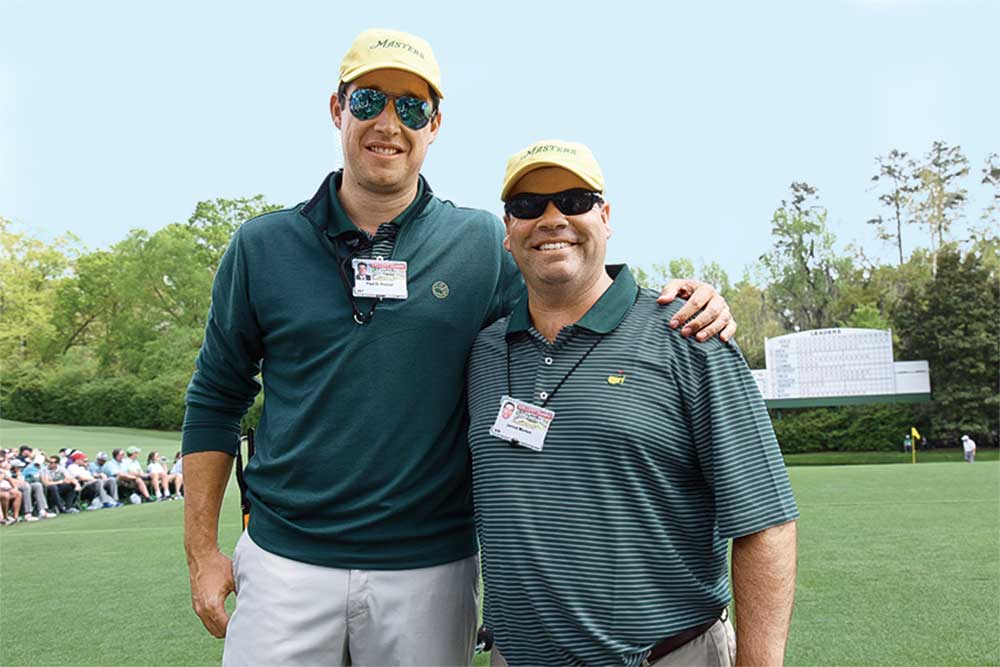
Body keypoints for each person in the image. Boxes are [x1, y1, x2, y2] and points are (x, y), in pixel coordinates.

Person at [182, 28, 736, 667]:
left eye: (412, 107)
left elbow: (566, 290)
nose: (389, 122)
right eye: (370, 101)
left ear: (435, 125)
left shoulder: (479, 243)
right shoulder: (261, 246)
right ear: (337, 109)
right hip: (285, 560)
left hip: (431, 569)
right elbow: (215, 399)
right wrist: (202, 552)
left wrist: (683, 300)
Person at [466, 140, 799, 666]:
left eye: (573, 200)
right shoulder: (483, 350)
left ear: (605, 215)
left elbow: (766, 521)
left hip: (665, 656)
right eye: (529, 206)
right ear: (508, 232)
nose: (552, 218)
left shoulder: (688, 334)